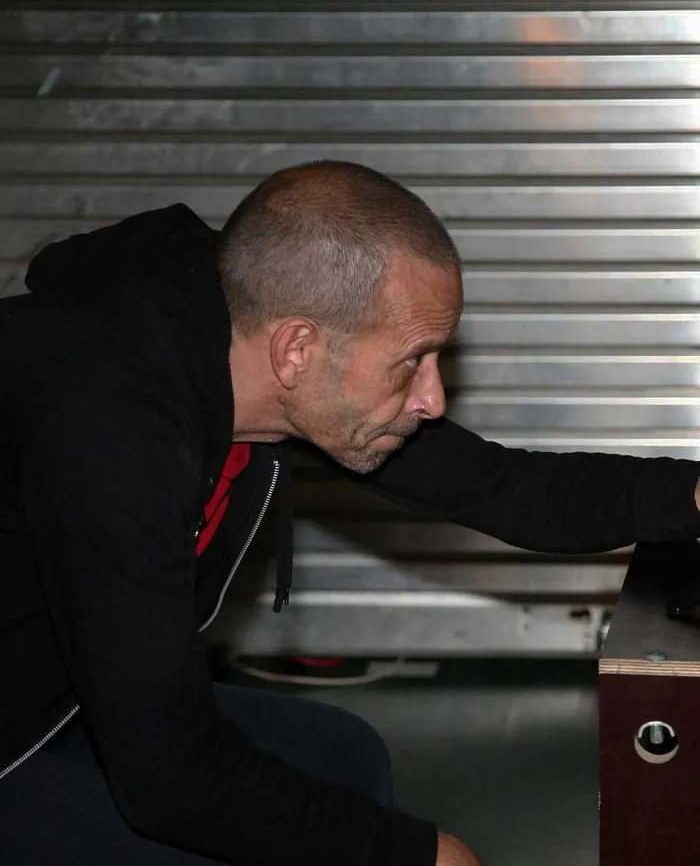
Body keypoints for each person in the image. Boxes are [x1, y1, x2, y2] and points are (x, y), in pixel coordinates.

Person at [0, 161, 698, 866]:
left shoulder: (251, 364)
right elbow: (169, 780)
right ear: (298, 348)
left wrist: (694, 495)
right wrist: (414, 855)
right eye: (413, 361)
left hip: (60, 691)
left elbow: (505, 487)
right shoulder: (107, 429)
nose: (433, 399)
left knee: (341, 754)